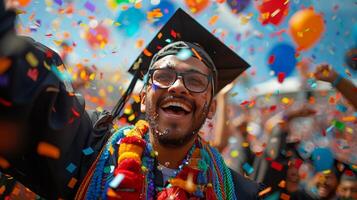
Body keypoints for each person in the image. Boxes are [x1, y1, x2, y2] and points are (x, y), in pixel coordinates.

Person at [0, 4, 264, 199]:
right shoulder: (88, 151)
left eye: (195, 81)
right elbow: (29, 91)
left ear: (212, 107)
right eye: (164, 76)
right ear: (142, 97)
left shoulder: (241, 193)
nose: (178, 86)